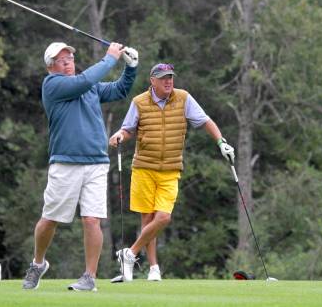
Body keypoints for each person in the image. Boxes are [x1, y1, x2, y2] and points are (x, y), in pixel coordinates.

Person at [21, 41, 138, 292]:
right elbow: (84, 81)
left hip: (96, 162)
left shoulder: (90, 87)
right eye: (62, 61)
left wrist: (131, 67)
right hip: (65, 163)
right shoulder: (52, 85)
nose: (68, 63)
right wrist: (110, 58)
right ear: (51, 66)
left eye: (70, 59)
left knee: (91, 220)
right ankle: (38, 263)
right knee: (50, 219)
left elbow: (120, 90)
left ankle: (89, 277)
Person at [109, 63, 235, 282]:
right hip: (143, 168)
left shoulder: (183, 98)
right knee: (147, 219)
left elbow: (205, 120)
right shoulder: (139, 102)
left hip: (170, 169)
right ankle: (153, 269)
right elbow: (128, 129)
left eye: (170, 77)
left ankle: (130, 253)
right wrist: (119, 135)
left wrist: (221, 141)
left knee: (163, 217)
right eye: (163, 78)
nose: (168, 81)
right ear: (152, 81)